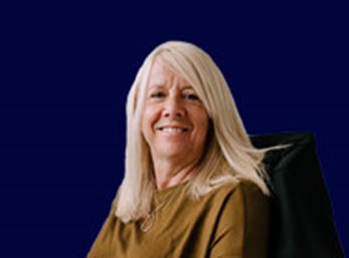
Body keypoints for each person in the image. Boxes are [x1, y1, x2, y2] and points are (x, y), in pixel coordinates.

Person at [88, 41, 275, 258]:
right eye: (158, 95)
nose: (172, 109)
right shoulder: (130, 201)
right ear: (138, 113)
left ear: (213, 114)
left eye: (191, 96)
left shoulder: (234, 197)